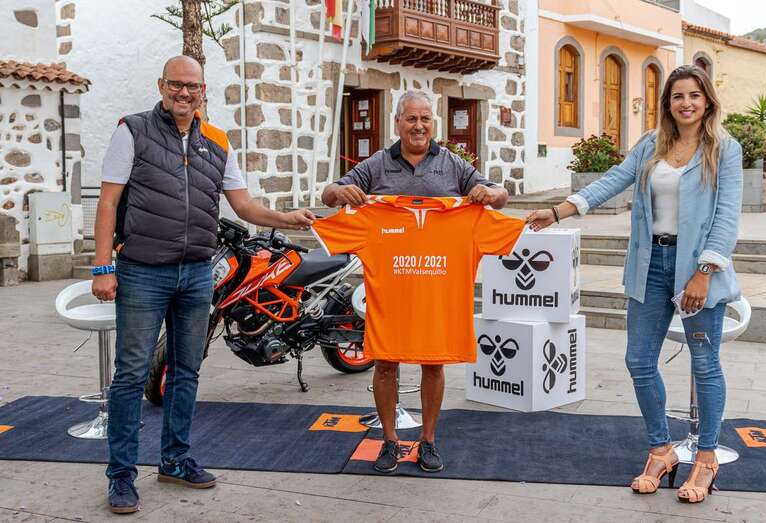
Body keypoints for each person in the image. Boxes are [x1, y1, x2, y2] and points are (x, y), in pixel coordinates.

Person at [92, 55, 315, 514]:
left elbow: (244, 206)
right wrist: (102, 267)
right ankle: (121, 476)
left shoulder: (217, 140)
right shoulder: (131, 130)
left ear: (203, 91)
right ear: (162, 85)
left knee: (186, 370)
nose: (184, 93)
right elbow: (108, 203)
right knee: (131, 375)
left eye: (192, 87)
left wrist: (285, 218)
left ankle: (175, 459)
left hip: (196, 271)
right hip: (141, 270)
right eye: (176, 84)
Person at [527, 65, 742, 504]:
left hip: (696, 267)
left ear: (707, 101)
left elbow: (727, 216)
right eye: (677, 96)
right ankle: (661, 449)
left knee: (704, 364)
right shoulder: (650, 145)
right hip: (650, 264)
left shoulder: (724, 148)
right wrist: (556, 212)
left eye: (694, 96)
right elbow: (611, 181)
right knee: (639, 361)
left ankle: (705, 458)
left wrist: (704, 272)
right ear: (667, 103)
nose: (686, 103)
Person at [321, 90, 509, 474]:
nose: (419, 126)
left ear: (433, 124)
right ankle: (389, 441)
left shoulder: (453, 165)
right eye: (411, 119)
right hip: (391, 291)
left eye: (425, 119)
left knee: (433, 364)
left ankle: (428, 441)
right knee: (386, 362)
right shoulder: (376, 164)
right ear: (398, 123)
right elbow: (329, 195)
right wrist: (340, 192)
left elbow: (500, 196)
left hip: (438, 290)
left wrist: (489, 193)